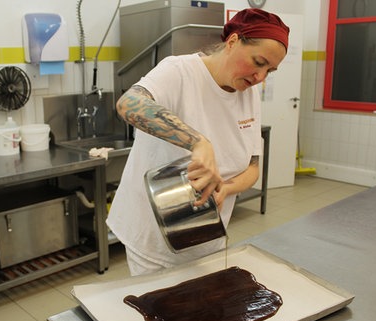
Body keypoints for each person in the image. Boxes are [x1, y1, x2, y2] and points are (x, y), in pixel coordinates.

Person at [106, 8, 290, 276]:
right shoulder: (180, 71)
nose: (260, 77)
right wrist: (198, 142)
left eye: (270, 71)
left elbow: (252, 167)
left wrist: (225, 190)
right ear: (233, 42)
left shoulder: (248, 93)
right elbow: (129, 104)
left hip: (206, 232)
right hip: (153, 233)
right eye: (258, 62)